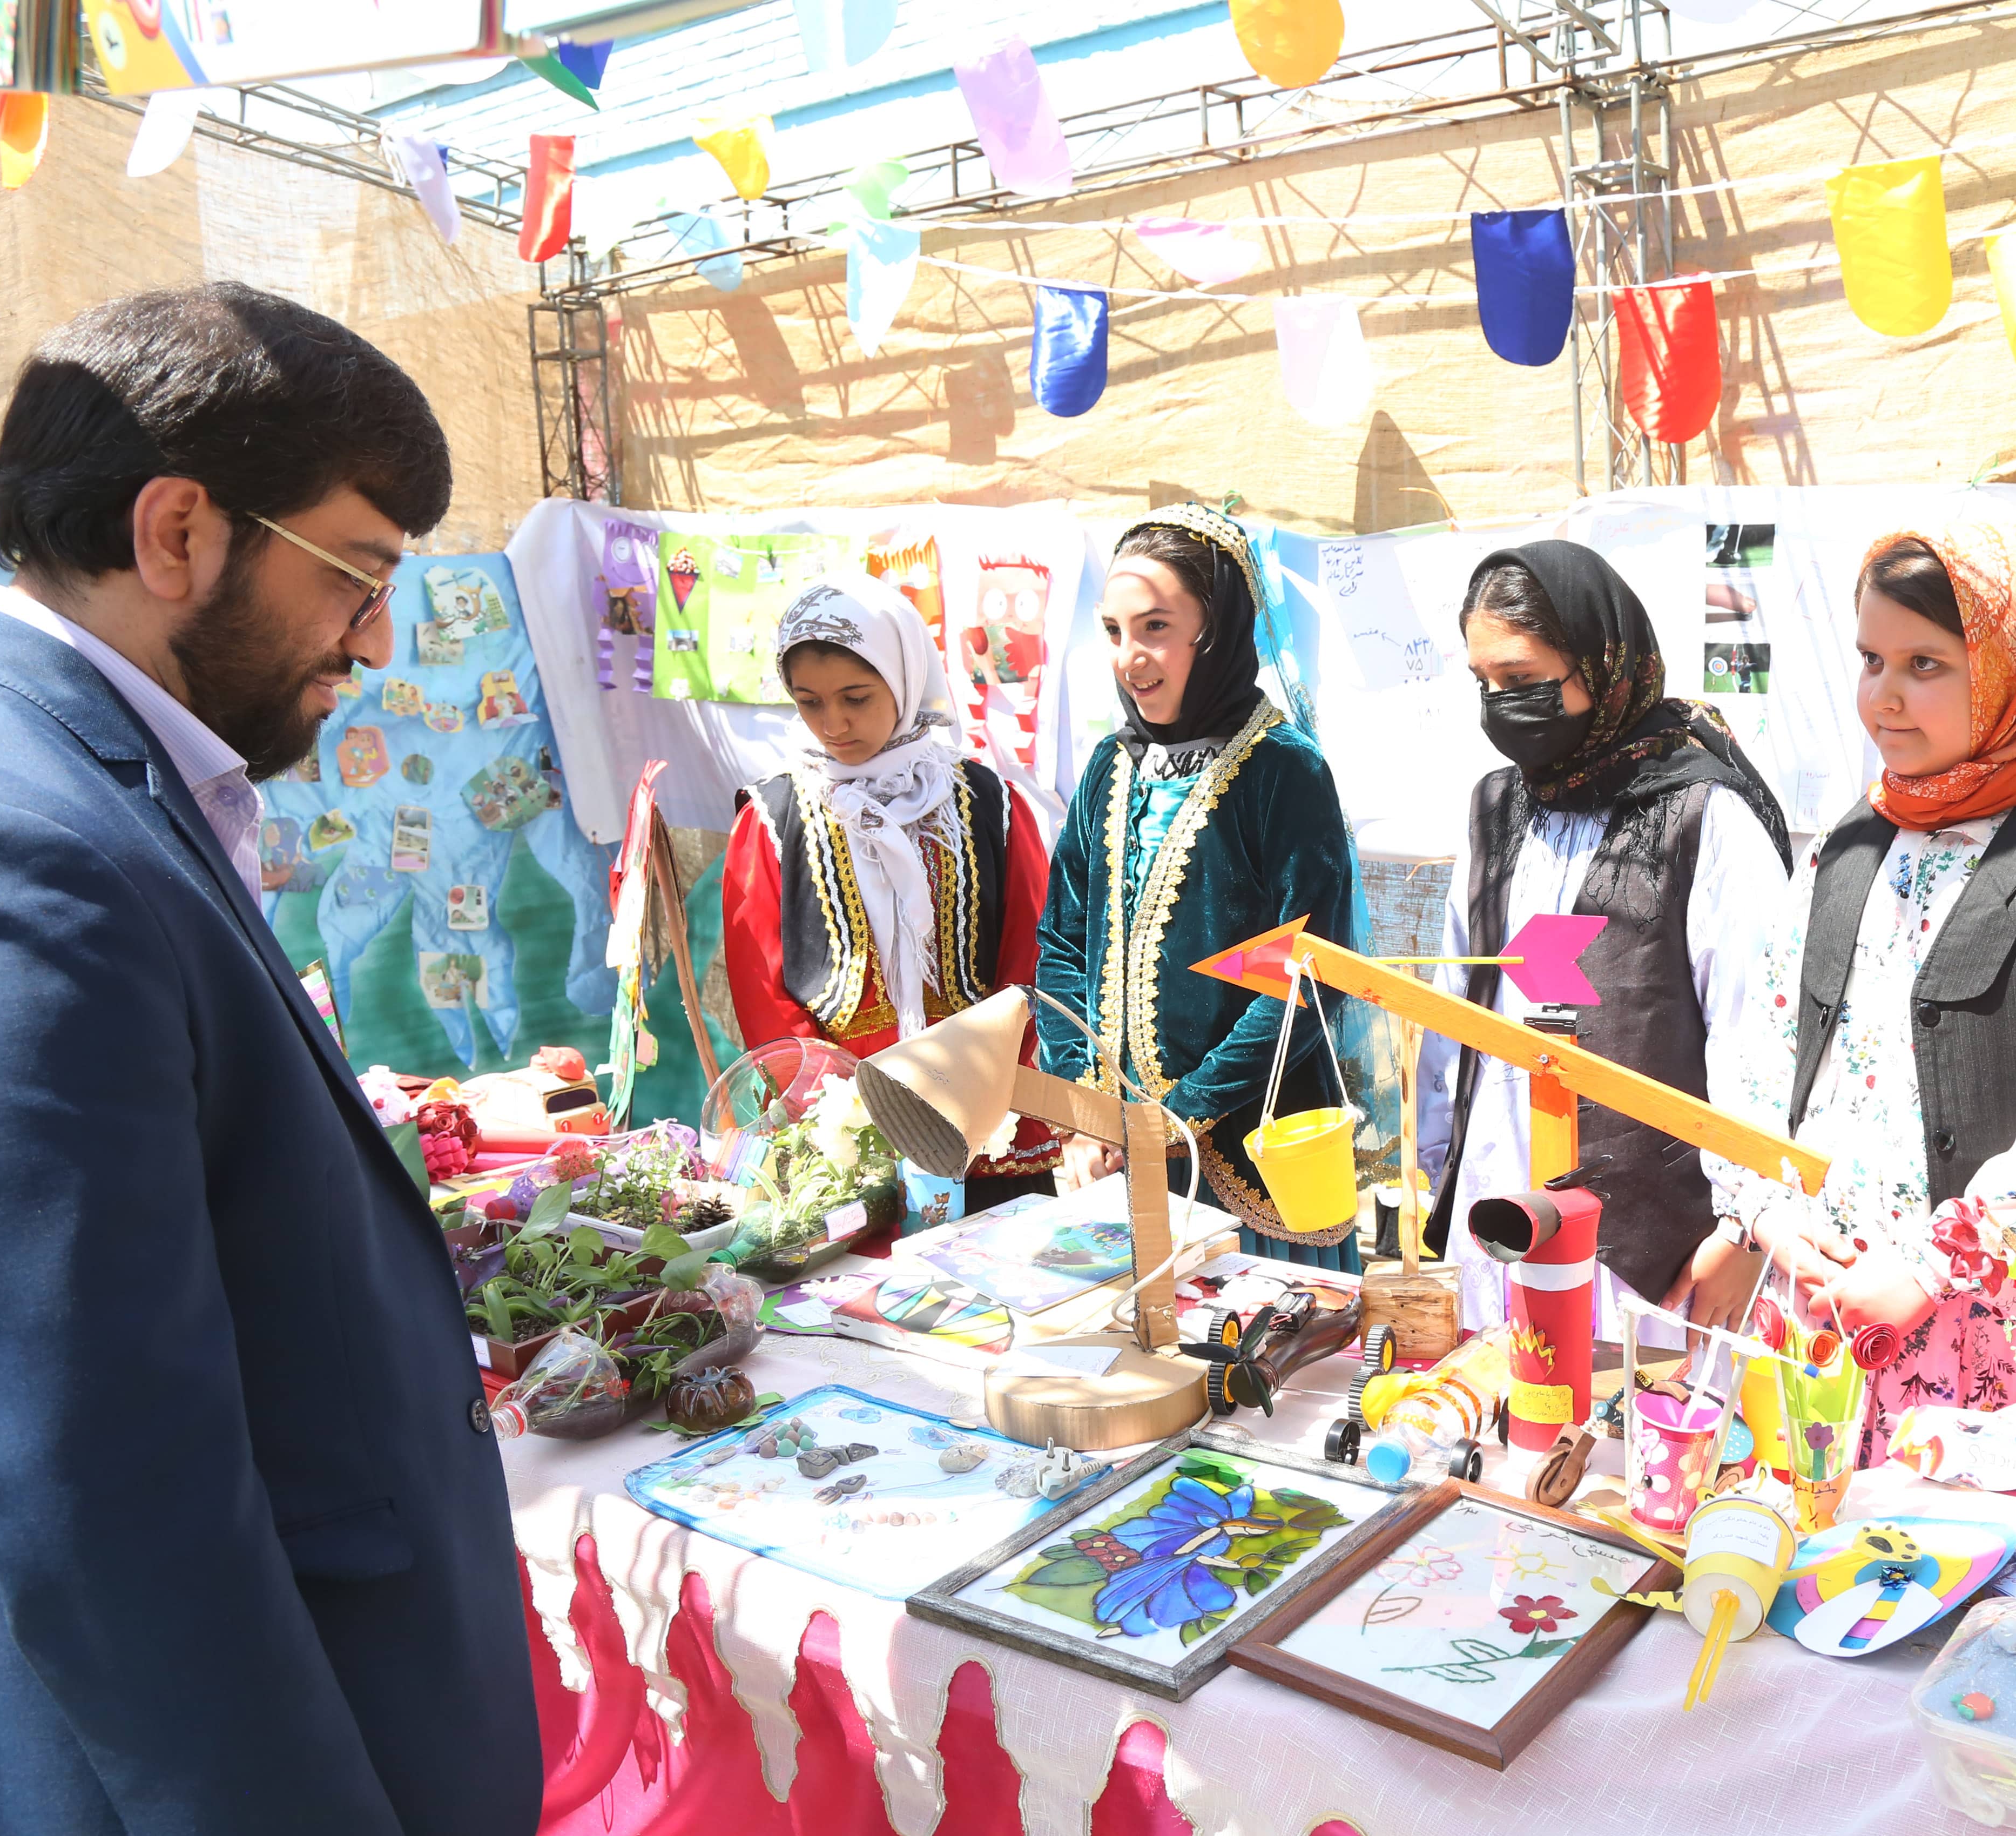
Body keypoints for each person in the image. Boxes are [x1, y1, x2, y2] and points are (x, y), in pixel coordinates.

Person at [0, 286, 537, 1836]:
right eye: (361, 569)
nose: (379, 638)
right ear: (179, 529)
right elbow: (101, 1485)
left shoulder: (81, 788)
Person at [1717, 516, 2016, 1461]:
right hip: (1812, 1317)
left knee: (1963, 1584)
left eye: (1924, 665)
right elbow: (1763, 1040)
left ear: (2012, 668)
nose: (1883, 700)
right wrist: (1763, 1206)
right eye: (1869, 660)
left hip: (1991, 1342)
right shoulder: (1854, 839)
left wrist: (1932, 1263)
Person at [1417, 541, 1791, 1351]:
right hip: (1499, 1195)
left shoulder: (1702, 816)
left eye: (1521, 681)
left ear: (1600, 660)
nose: (1500, 706)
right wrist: (1438, 1161)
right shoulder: (1493, 808)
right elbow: (1458, 995)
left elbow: (1758, 1035)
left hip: (1653, 1236)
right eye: (1484, 684)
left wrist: (1746, 1225)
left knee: (1634, 1457)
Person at [1036, 502, 1382, 1262]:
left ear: (1216, 628)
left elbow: (1309, 972)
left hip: (1258, 1158)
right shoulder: (1109, 765)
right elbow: (1062, 940)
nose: (1131, 657)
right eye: (1114, 632)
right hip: (1120, 1151)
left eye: (1156, 627)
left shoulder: (1282, 771)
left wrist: (1177, 1115)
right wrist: (1085, 1109)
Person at [720, 573, 1061, 1208]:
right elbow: (760, 989)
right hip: (842, 1124)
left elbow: (1031, 952)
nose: (835, 723)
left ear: (904, 681)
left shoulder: (988, 803)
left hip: (983, 1109)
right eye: (810, 702)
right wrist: (837, 1102)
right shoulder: (774, 818)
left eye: (856, 697)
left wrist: (987, 1072)